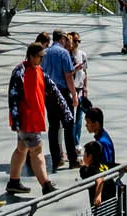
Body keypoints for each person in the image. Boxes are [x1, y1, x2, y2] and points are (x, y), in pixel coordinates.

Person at [7, 38, 67, 197]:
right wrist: (15, 118)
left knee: (22, 150)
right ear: (32, 56)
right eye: (40, 56)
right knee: (37, 150)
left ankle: (13, 182)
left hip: (32, 119)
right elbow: (13, 95)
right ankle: (45, 184)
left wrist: (65, 109)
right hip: (27, 120)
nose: (42, 59)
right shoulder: (20, 71)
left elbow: (53, 90)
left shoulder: (39, 71)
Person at [42, 29, 78, 170]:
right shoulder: (63, 53)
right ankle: (72, 158)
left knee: (53, 126)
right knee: (69, 125)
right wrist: (74, 95)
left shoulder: (45, 53)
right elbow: (68, 76)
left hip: (48, 93)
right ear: (62, 39)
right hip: (62, 92)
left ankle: (56, 159)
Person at [66, 33, 87, 150]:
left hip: (79, 89)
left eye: (79, 41)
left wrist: (85, 88)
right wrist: (75, 69)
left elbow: (85, 73)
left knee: (79, 118)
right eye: (75, 41)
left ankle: (76, 141)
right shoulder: (67, 55)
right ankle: (71, 142)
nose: (76, 44)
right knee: (70, 118)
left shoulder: (82, 54)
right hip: (70, 90)